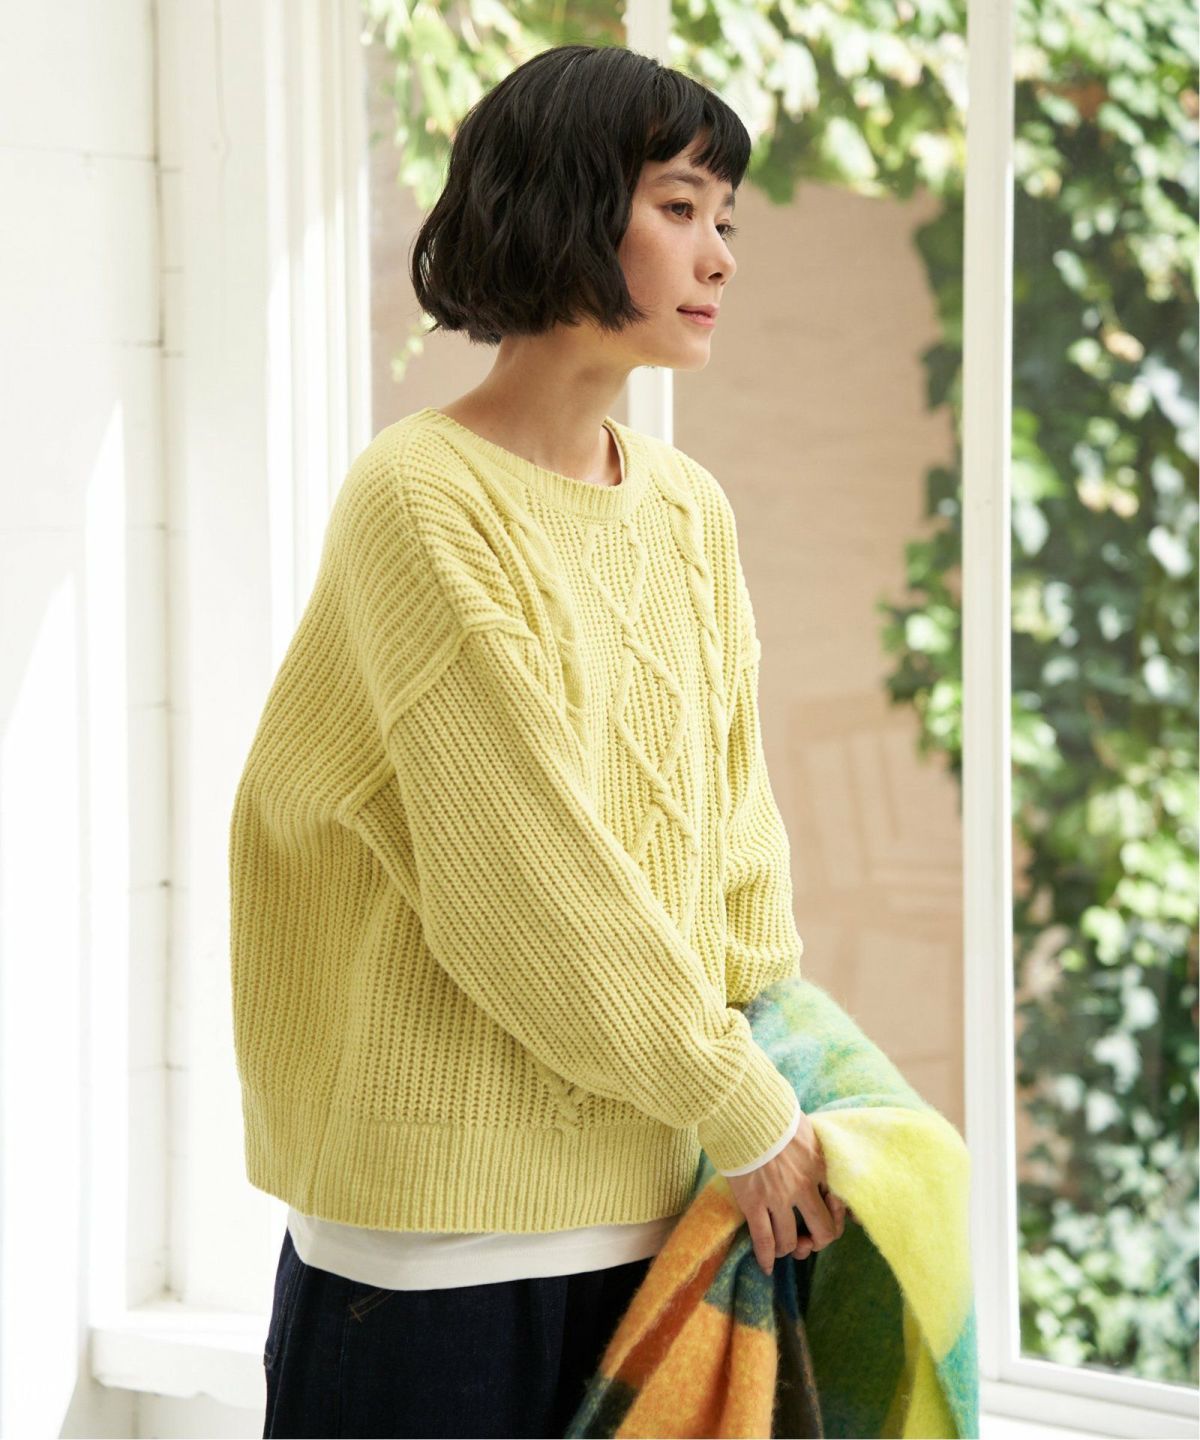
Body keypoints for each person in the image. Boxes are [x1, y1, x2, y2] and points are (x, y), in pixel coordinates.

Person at [230, 41, 846, 1440]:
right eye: (680, 207)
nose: (721, 254)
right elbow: (525, 880)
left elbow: (740, 840)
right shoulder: (419, 500)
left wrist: (786, 1071)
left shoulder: (688, 513)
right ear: (566, 208)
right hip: (438, 1258)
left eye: (727, 217)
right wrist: (742, 1104)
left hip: (666, 1224)